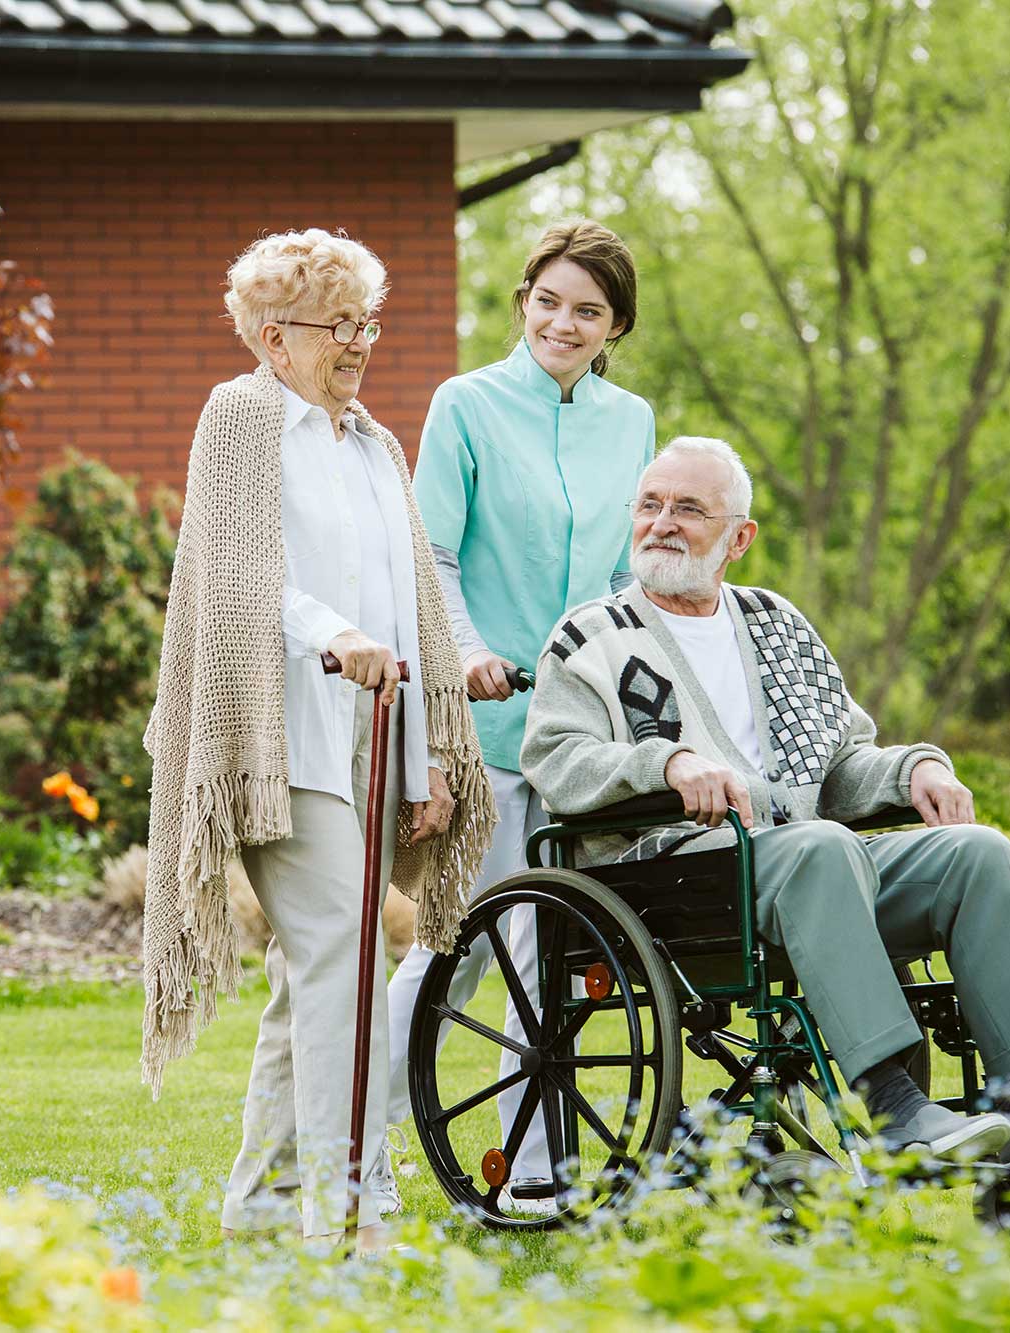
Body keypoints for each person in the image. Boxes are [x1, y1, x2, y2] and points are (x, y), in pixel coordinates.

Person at [518, 435, 1010, 1163]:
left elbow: (841, 758)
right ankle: (892, 1104)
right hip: (676, 880)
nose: (662, 523)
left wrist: (913, 771)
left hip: (814, 871)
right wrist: (667, 762)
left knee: (978, 853)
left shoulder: (776, 624)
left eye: (689, 508)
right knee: (822, 846)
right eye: (650, 504)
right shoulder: (591, 636)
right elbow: (554, 759)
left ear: (739, 537)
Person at [139, 228, 498, 1250]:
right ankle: (345, 1210)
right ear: (269, 336)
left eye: (365, 322)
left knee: (315, 976)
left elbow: (411, 599)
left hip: (374, 737)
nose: (357, 343)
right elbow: (240, 571)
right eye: (334, 325)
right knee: (340, 951)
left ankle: (257, 1210)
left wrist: (430, 749)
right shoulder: (241, 418)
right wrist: (330, 635)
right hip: (276, 738)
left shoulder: (375, 445)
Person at [378, 220, 656, 1214]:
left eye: (586, 310)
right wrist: (463, 655)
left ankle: (532, 1168)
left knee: (553, 945)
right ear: (522, 300)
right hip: (485, 723)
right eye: (547, 301)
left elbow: (625, 576)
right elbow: (432, 558)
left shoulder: (630, 422)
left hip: (576, 733)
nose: (562, 322)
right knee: (451, 940)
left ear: (613, 324)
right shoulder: (465, 405)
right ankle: (345, 1143)